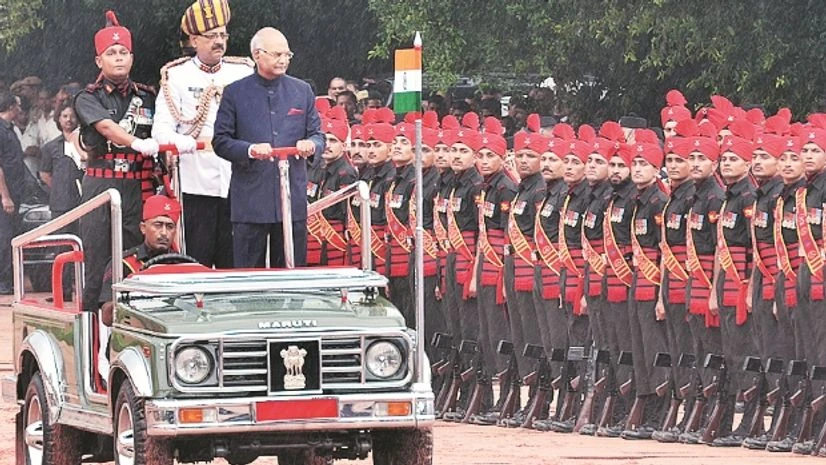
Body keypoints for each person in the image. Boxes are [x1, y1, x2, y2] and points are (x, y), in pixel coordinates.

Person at [153, 0, 254, 269]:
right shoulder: (176, 75)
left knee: (236, 261)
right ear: (194, 40)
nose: (219, 41)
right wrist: (179, 141)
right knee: (197, 259)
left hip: (238, 179)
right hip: (195, 180)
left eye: (223, 35)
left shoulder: (244, 71)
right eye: (211, 36)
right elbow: (160, 129)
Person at [213, 27, 324, 268]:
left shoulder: (301, 91)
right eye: (276, 54)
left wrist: (311, 145)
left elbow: (318, 135)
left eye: (287, 55)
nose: (283, 60)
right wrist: (250, 150)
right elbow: (220, 141)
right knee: (247, 275)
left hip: (291, 198)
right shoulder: (235, 92)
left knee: (291, 274)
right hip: (250, 200)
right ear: (257, 55)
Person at [74, 11, 160, 311]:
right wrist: (136, 142)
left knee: (135, 258)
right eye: (111, 53)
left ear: (132, 58)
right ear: (99, 60)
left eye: (123, 52)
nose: (118, 58)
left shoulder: (148, 96)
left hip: (137, 187)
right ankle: (91, 340)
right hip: (101, 186)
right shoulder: (88, 97)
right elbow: (107, 128)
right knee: (97, 262)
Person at [98, 195, 182, 377]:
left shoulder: (183, 266)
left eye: (170, 227)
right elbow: (106, 315)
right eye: (157, 225)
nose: (164, 233)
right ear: (143, 228)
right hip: (132, 346)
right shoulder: (124, 264)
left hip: (176, 347)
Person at [467, 117, 517, 426]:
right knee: (486, 336)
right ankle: (494, 399)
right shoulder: (485, 188)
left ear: (502, 158)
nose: (484, 161)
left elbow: (507, 240)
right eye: (481, 155)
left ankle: (507, 397)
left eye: (490, 156)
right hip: (484, 269)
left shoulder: (505, 189)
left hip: (499, 270)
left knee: (501, 336)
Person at [621, 136, 670, 440]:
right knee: (639, 349)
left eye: (644, 165)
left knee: (655, 350)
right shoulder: (636, 201)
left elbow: (664, 251)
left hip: (653, 285)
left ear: (656, 169)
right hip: (637, 282)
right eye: (635, 163)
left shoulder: (657, 202)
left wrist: (662, 295)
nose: (637, 169)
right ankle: (646, 404)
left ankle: (660, 411)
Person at [306, 106, 356, 266]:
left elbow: (346, 213)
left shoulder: (346, 172)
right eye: (325, 140)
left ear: (343, 145)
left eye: (333, 141)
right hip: (313, 236)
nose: (327, 145)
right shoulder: (316, 166)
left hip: (334, 239)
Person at [0, 92, 26, 295]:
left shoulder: (11, 129)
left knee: (9, 236)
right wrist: (5, 195)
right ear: (10, 107)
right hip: (5, 194)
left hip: (15, 191)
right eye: (17, 106)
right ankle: (4, 282)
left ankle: (8, 281)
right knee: (5, 237)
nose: (20, 109)